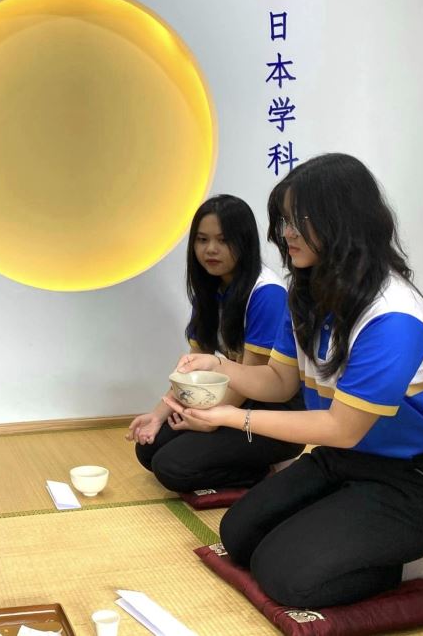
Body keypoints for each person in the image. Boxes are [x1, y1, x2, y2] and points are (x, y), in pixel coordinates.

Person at [166, 154, 423, 608]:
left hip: (412, 482)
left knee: (287, 577)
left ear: (343, 221)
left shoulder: (394, 316)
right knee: (238, 534)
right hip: (339, 460)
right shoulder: (307, 294)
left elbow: (341, 427)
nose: (286, 234)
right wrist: (220, 365)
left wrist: (230, 417)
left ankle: (411, 563)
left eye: (300, 221)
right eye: (284, 221)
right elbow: (279, 382)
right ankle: (351, 539)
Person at [127, 195, 304, 492]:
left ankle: (271, 470)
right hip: (231, 397)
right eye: (202, 239)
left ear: (244, 242)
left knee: (171, 467)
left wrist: (210, 420)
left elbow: (254, 381)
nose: (210, 249)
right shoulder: (210, 288)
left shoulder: (266, 293)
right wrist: (157, 415)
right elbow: (192, 369)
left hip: (272, 412)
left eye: (223, 240)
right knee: (149, 448)